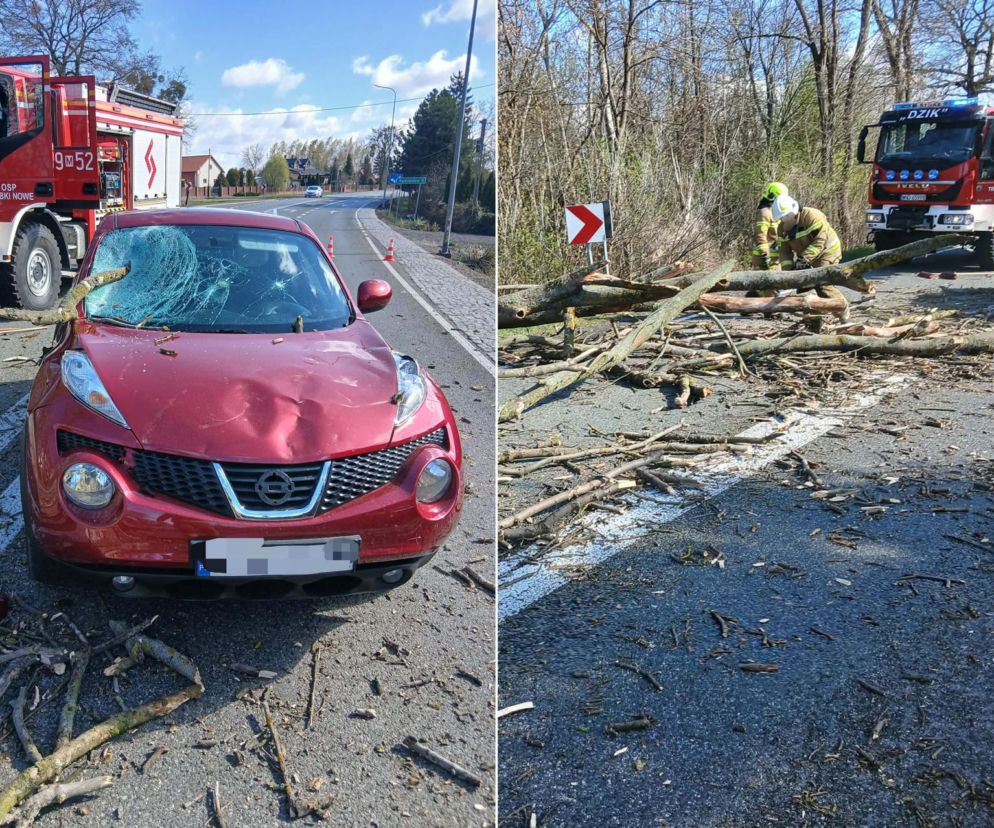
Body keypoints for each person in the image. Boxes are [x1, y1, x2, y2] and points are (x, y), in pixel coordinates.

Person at [771, 195, 842, 271]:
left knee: (823, 280)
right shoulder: (782, 229)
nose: (784, 219)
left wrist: (803, 259)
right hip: (808, 256)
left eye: (787, 215)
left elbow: (820, 241)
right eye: (781, 217)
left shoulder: (811, 216)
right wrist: (789, 272)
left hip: (828, 251)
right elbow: (784, 252)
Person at [752, 181, 788, 270]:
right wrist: (765, 257)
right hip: (765, 260)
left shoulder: (775, 211)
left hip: (775, 259)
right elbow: (761, 235)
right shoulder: (765, 213)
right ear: (773, 196)